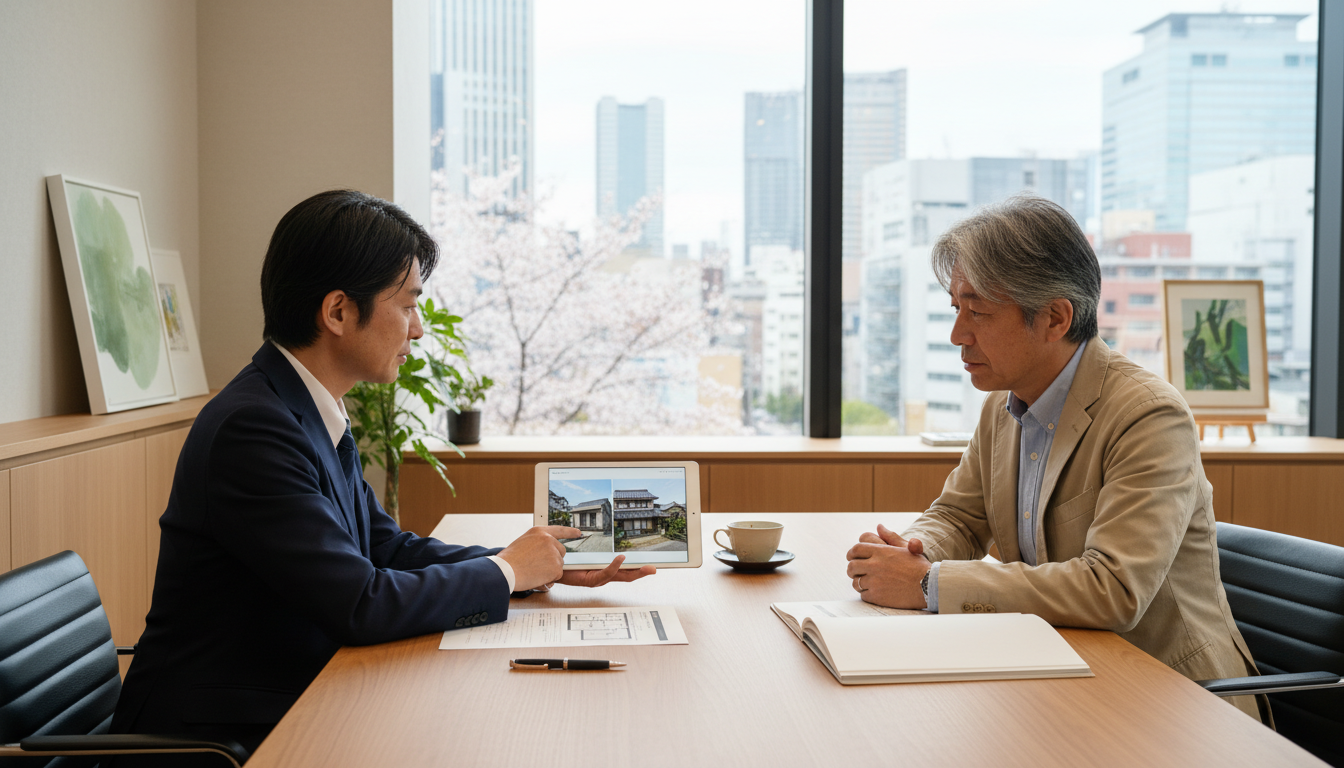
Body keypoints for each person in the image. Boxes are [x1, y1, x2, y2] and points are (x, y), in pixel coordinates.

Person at [110, 190, 654, 761]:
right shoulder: (255, 429)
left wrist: (532, 566)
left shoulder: (304, 406)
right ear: (339, 312)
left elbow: (383, 547)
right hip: (216, 740)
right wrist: (506, 571)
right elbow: (360, 602)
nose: (417, 330)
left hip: (296, 701)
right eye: (409, 305)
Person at [844, 195, 1265, 722]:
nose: (958, 335)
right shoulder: (1002, 403)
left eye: (978, 312)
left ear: (1055, 318)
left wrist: (930, 585)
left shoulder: (1149, 416)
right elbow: (958, 515)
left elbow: (1112, 588)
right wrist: (913, 551)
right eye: (956, 309)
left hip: (1178, 702)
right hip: (1063, 674)